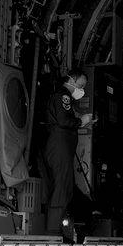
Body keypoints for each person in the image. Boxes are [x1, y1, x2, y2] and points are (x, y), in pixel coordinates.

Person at [44, 70, 93, 234]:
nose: (82, 88)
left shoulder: (66, 99)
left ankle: (58, 231)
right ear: (72, 79)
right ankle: (53, 233)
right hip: (60, 147)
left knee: (65, 188)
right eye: (81, 84)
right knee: (61, 189)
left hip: (60, 147)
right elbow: (64, 120)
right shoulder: (63, 96)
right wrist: (81, 121)